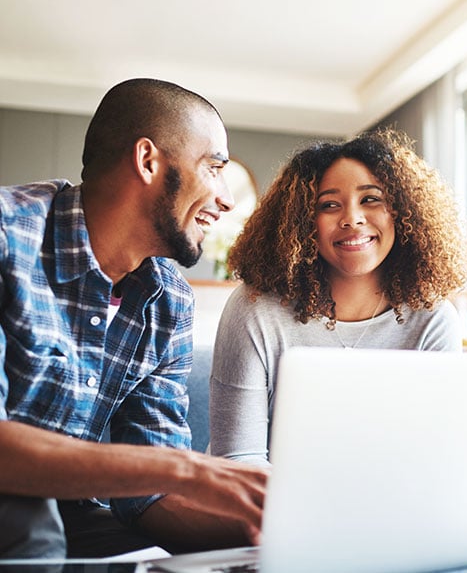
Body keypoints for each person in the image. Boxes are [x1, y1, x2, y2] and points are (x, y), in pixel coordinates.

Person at [0, 78, 268, 559]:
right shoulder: (7, 237)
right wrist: (190, 470)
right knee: (31, 524)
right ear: (148, 162)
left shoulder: (169, 301)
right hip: (18, 512)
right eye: (214, 168)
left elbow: (149, 497)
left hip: (73, 516)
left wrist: (264, 530)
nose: (227, 200)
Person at [210, 128, 467, 467]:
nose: (352, 219)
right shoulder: (255, 309)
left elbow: (434, 454)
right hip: (260, 502)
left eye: (371, 199)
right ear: (303, 222)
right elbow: (238, 458)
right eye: (329, 205)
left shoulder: (433, 320)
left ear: (402, 212)